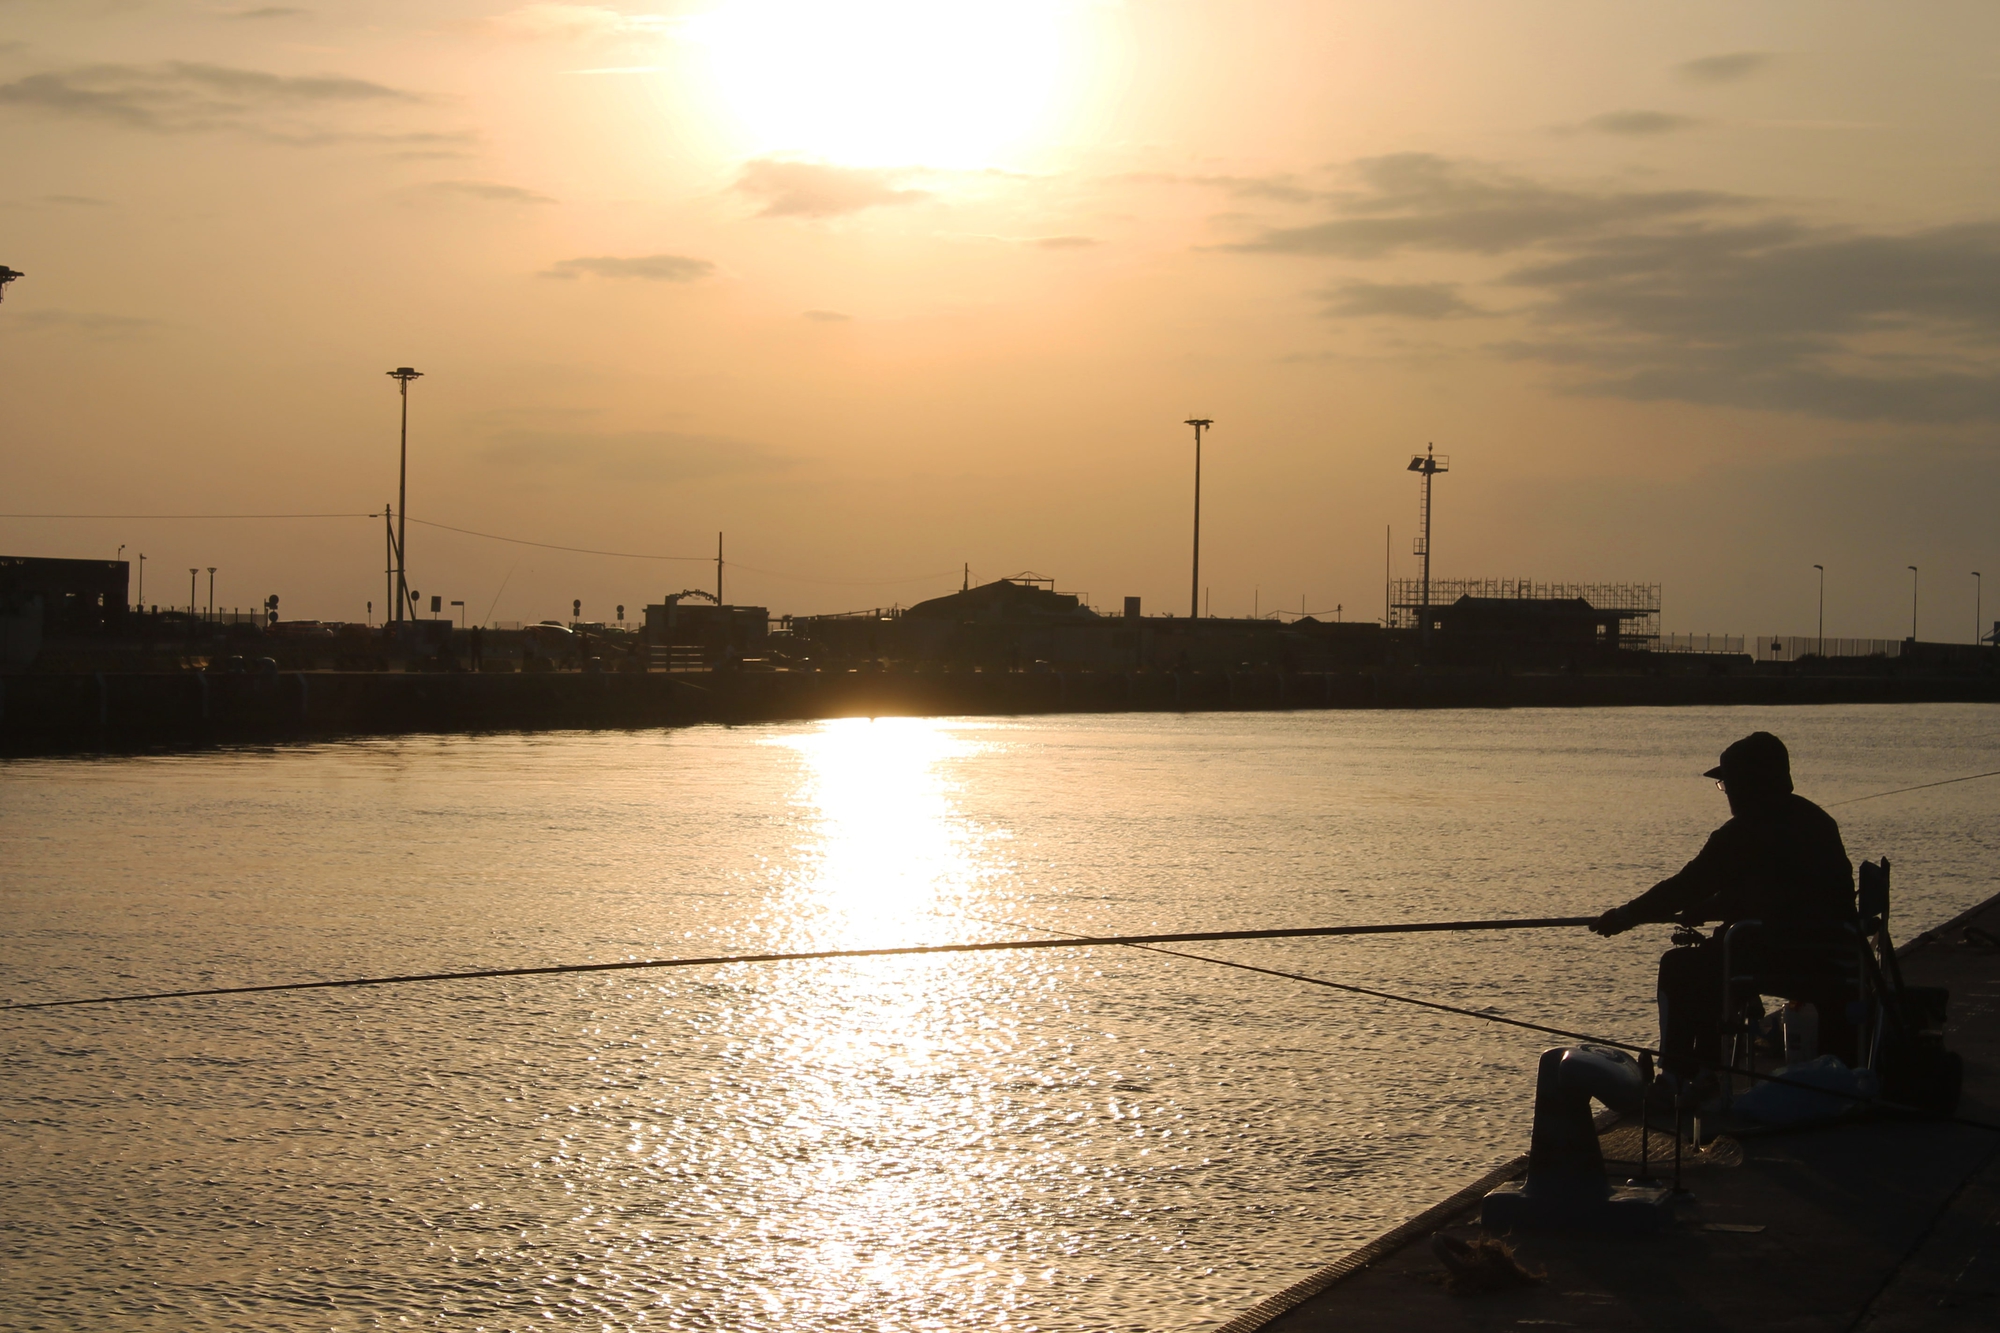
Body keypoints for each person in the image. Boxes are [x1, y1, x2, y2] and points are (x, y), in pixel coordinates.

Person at [1590, 732, 1856, 1082]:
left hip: (1777, 953)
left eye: (1728, 783)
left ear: (1748, 784)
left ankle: (1678, 1073)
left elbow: (1683, 887)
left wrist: (1626, 916)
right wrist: (1710, 907)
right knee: (1712, 959)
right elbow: (1784, 892)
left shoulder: (1740, 833)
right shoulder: (1818, 821)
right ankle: (1705, 1069)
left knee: (1681, 967)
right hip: (1834, 956)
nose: (1726, 792)